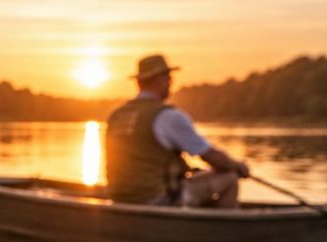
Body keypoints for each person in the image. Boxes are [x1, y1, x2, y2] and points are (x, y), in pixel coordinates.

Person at [105, 54, 250, 207]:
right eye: (167, 76)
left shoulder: (116, 115)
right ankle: (226, 221)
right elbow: (210, 155)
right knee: (229, 176)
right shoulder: (168, 116)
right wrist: (238, 166)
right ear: (157, 79)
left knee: (201, 176)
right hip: (159, 200)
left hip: (119, 198)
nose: (171, 81)